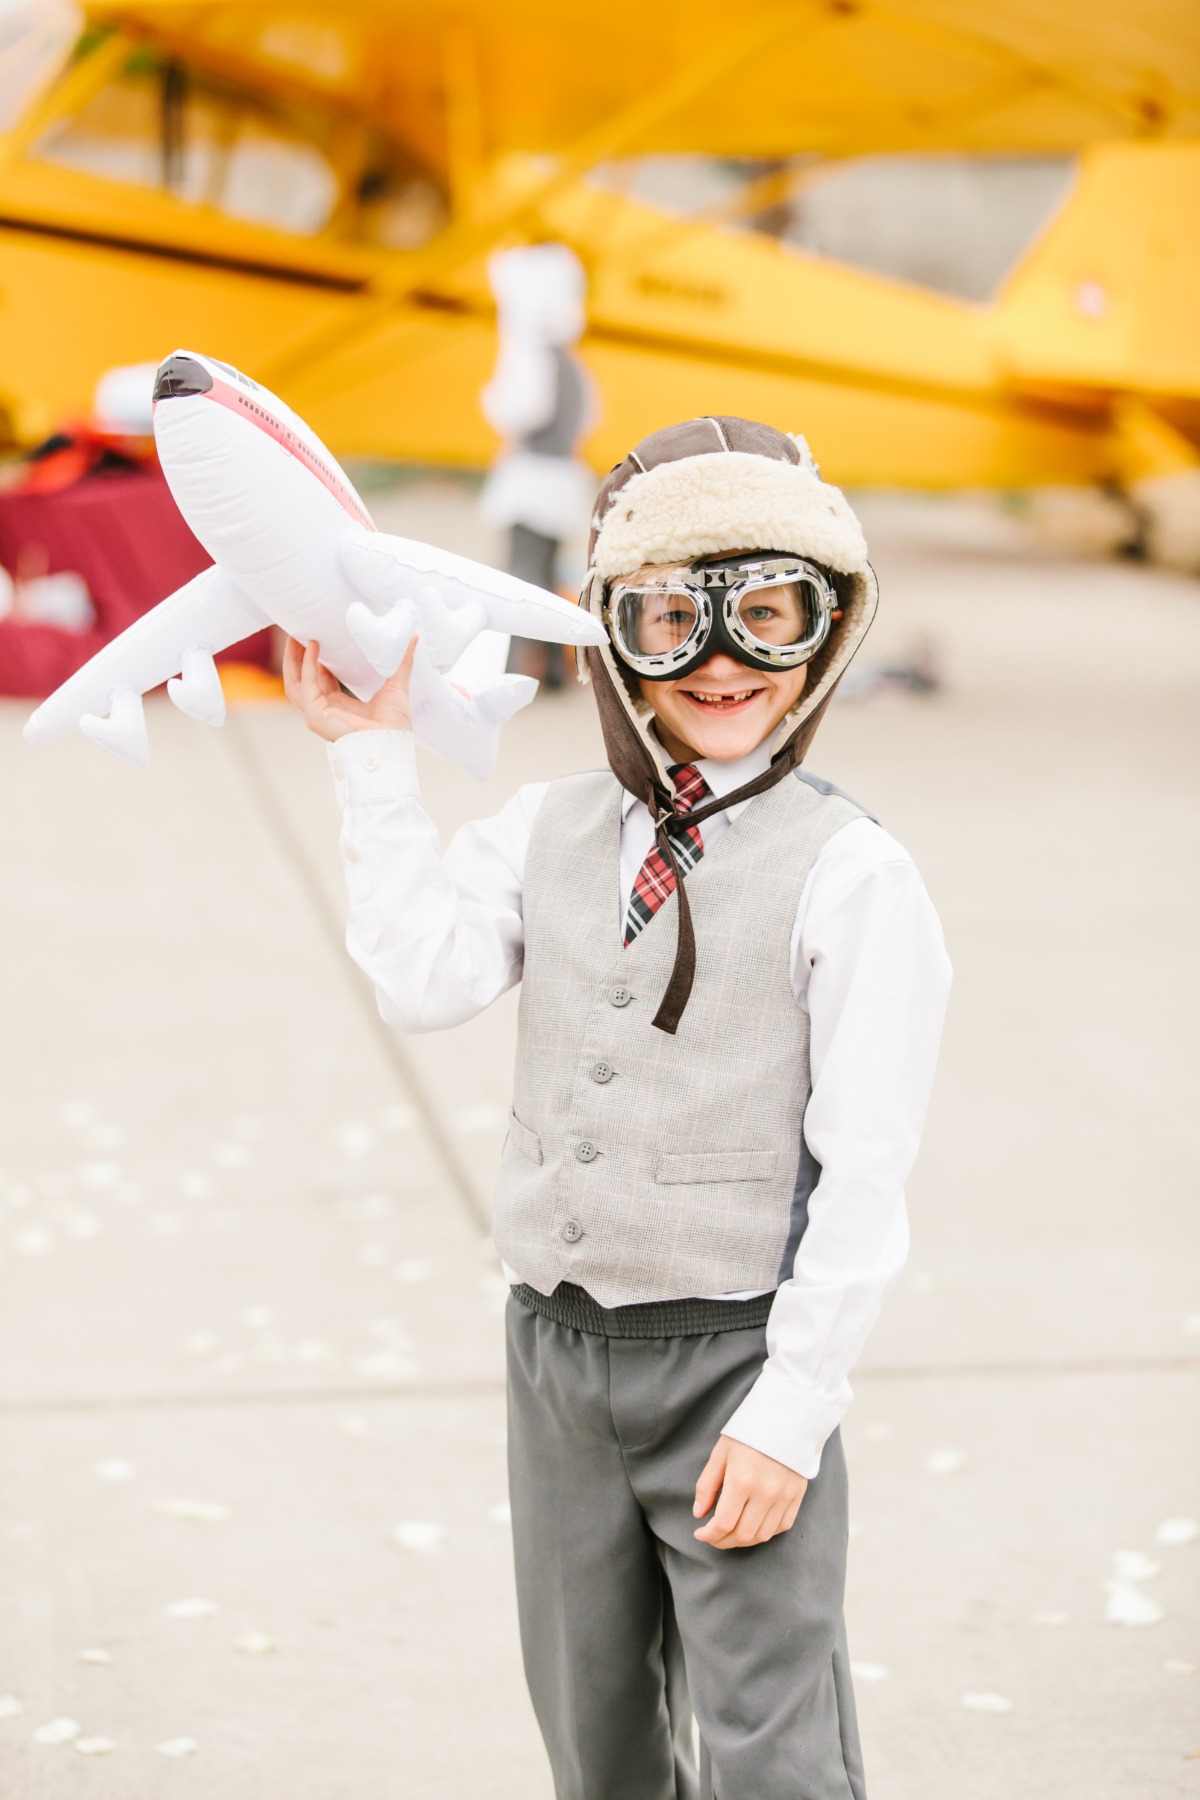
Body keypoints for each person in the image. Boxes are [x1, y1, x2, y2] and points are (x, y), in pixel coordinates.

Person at [284, 415, 952, 1800]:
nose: (720, 662)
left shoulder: (853, 876)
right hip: (558, 1355)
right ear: (611, 636)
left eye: (766, 616)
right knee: (597, 1736)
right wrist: (372, 755)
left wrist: (791, 1411)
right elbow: (422, 977)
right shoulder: (550, 828)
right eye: (669, 620)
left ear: (822, 637)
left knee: (774, 1746)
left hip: (731, 1359)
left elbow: (866, 1171)